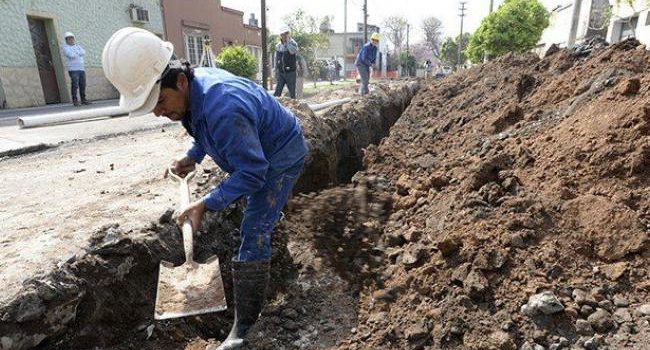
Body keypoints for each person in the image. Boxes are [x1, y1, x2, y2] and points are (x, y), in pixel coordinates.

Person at [102, 27, 308, 350]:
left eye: (159, 102)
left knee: (254, 228)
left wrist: (206, 203)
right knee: (257, 210)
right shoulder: (192, 90)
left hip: (280, 154)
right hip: (257, 150)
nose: (158, 112)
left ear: (179, 81)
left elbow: (254, 172)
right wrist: (192, 157)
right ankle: (276, 227)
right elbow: (202, 127)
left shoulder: (222, 106)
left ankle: (244, 328)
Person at [62, 32, 90, 106]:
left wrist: (76, 53)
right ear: (66, 40)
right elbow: (70, 55)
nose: (71, 40)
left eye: (72, 38)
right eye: (69, 39)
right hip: (73, 69)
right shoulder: (65, 47)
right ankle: (75, 100)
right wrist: (78, 53)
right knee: (75, 85)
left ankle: (83, 100)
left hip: (81, 68)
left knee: (82, 84)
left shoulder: (77, 46)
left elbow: (83, 52)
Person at [274, 27, 299, 99]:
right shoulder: (278, 45)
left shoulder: (293, 43)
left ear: (288, 34)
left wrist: (287, 43)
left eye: (286, 34)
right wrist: (275, 69)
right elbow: (276, 58)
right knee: (277, 92)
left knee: (292, 93)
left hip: (290, 72)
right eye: (282, 34)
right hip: (281, 72)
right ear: (280, 35)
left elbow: (292, 51)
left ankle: (295, 107)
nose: (284, 36)